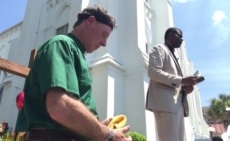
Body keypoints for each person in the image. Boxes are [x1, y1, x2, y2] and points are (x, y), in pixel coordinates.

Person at [15, 5, 132, 141]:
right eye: (104, 35)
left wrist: (95, 126)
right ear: (90, 21)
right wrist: (107, 135)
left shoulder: (77, 53)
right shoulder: (61, 44)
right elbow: (59, 106)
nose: (104, 43)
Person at [145, 27, 198, 141]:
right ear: (170, 35)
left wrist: (184, 88)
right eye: (180, 36)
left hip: (178, 105)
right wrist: (182, 80)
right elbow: (153, 72)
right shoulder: (159, 49)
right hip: (166, 105)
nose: (182, 39)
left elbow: (175, 82)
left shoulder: (175, 56)